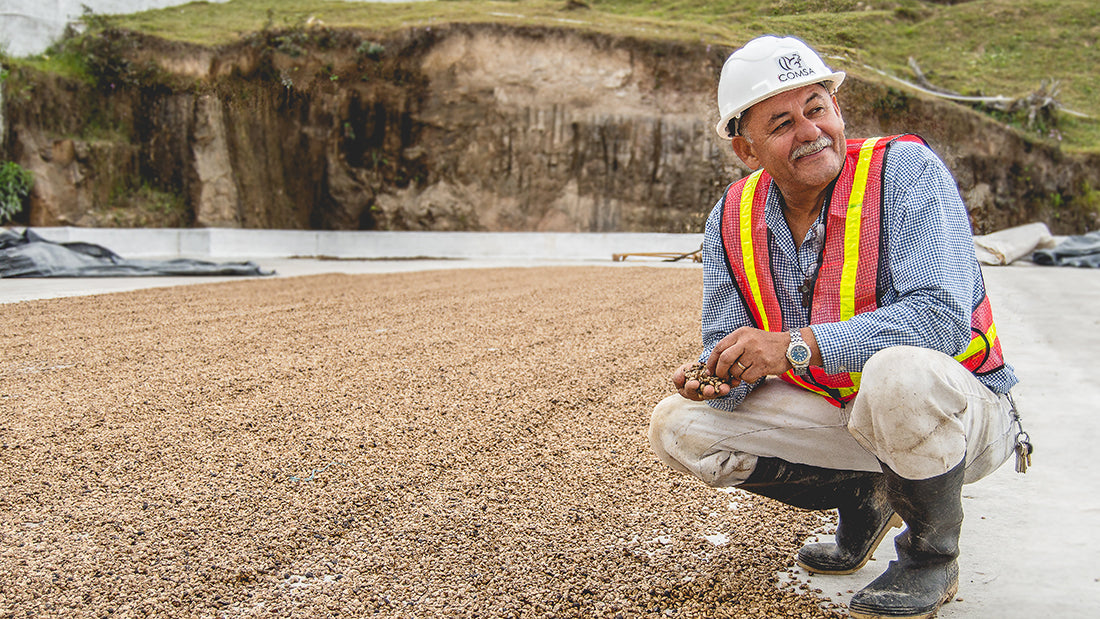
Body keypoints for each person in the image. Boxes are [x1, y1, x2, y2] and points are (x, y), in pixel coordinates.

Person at [648, 35, 1023, 619]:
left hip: (959, 418)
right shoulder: (730, 216)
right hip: (849, 420)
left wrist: (793, 347)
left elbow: (940, 322)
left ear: (837, 108)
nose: (809, 131)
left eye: (817, 107)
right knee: (680, 427)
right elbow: (729, 336)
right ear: (747, 149)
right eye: (781, 123)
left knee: (900, 373)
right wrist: (719, 375)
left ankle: (929, 555)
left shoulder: (905, 173)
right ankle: (866, 498)